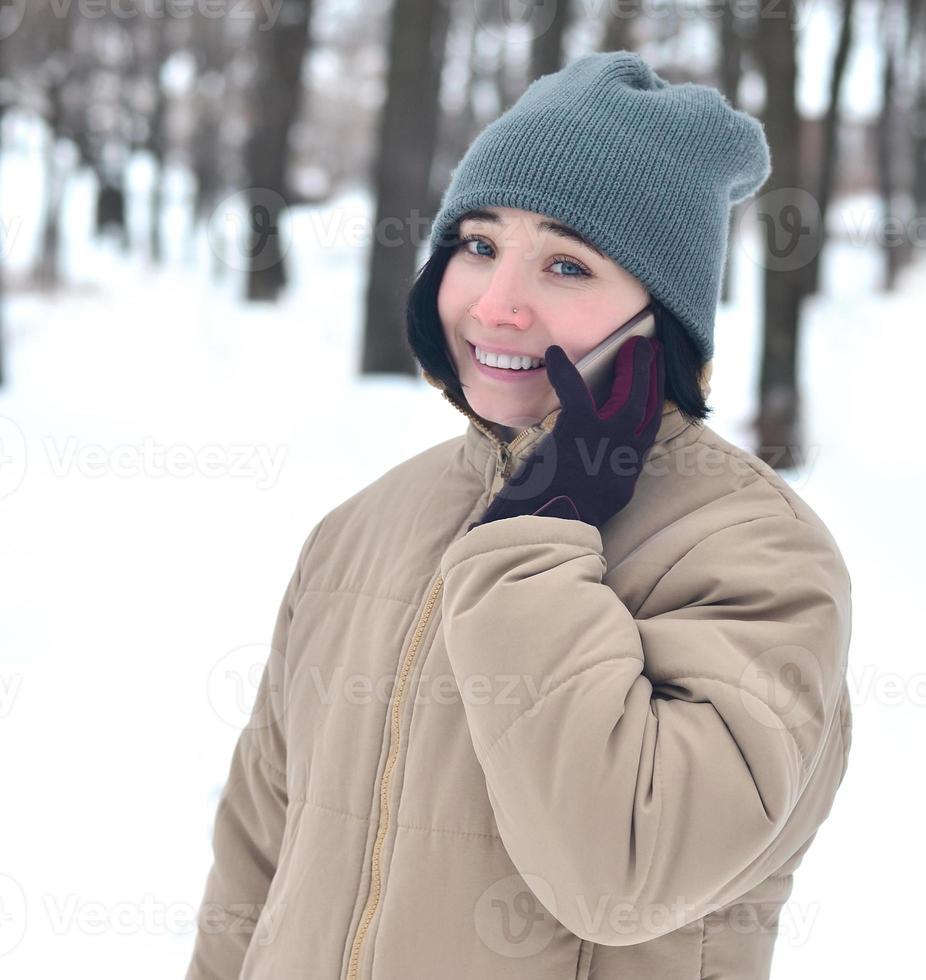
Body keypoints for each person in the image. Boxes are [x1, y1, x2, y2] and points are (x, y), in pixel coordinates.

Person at [185, 51, 853, 980]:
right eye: (479, 244)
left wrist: (541, 533)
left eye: (568, 264)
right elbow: (255, 864)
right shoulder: (361, 528)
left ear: (659, 322)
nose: (497, 306)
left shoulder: (752, 553)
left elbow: (621, 873)